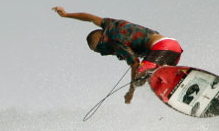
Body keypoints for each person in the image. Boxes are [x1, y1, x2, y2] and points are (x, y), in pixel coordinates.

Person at [53, 7, 184, 104]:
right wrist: (66, 14)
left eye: (99, 49)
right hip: (173, 48)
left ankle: (168, 78)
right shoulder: (109, 25)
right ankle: (174, 81)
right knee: (148, 77)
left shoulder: (115, 41)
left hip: (162, 48)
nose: (102, 53)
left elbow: (135, 64)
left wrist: (131, 92)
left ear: (101, 39)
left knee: (139, 77)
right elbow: (90, 18)